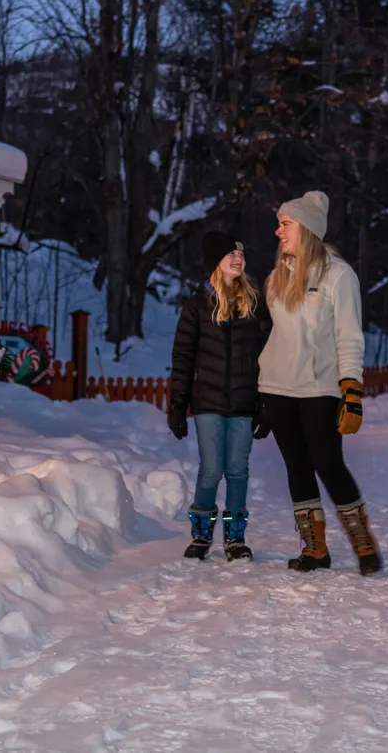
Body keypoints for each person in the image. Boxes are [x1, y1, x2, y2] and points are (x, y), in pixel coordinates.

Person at [257, 190, 381, 576]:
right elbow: (271, 336)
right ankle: (315, 549)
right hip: (277, 388)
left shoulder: (339, 275)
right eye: (279, 224)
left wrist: (352, 390)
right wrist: (258, 394)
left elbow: (350, 337)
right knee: (296, 466)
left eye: (285, 224)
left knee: (328, 463)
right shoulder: (276, 278)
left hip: (319, 388)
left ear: (307, 228)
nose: (278, 231)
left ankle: (363, 543)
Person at [168, 231, 272, 562]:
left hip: (243, 402)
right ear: (217, 261)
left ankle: (235, 536)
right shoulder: (197, 306)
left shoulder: (255, 305)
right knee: (212, 469)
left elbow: (269, 356)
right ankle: (201, 533)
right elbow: (183, 357)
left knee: (238, 470)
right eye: (231, 254)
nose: (239, 258)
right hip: (208, 402)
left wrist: (266, 404)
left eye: (241, 253)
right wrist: (177, 404)